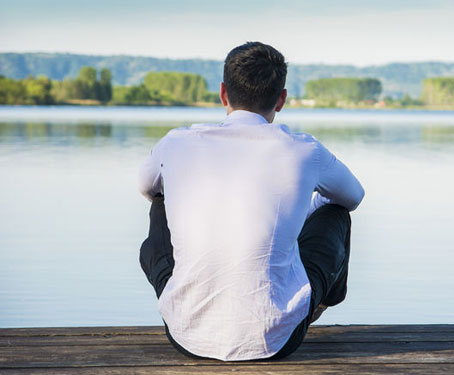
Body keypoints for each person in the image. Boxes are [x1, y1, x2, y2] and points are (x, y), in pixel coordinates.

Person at [137, 42, 364, 361]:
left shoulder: (176, 143)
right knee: (336, 213)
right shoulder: (304, 150)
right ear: (281, 99)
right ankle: (316, 303)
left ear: (223, 94)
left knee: (160, 200)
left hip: (186, 336)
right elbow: (352, 197)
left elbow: (147, 188)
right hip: (276, 341)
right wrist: (299, 211)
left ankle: (189, 300)